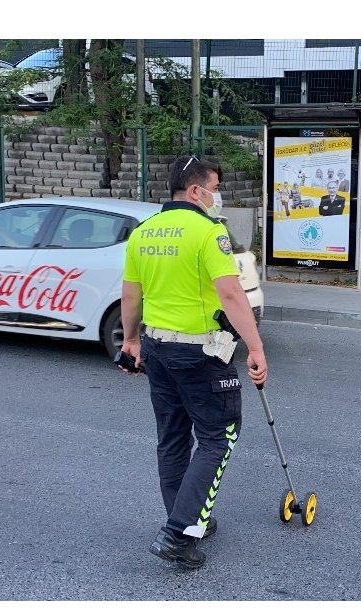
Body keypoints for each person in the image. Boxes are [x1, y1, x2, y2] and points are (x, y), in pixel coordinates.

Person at [119, 155, 268, 569]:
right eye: (216, 187)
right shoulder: (208, 232)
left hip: (156, 348)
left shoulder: (144, 233)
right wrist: (255, 348)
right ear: (195, 191)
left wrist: (131, 340)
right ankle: (178, 532)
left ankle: (183, 516)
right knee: (218, 438)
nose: (217, 196)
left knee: (172, 437)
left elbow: (131, 297)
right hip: (200, 353)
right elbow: (232, 294)